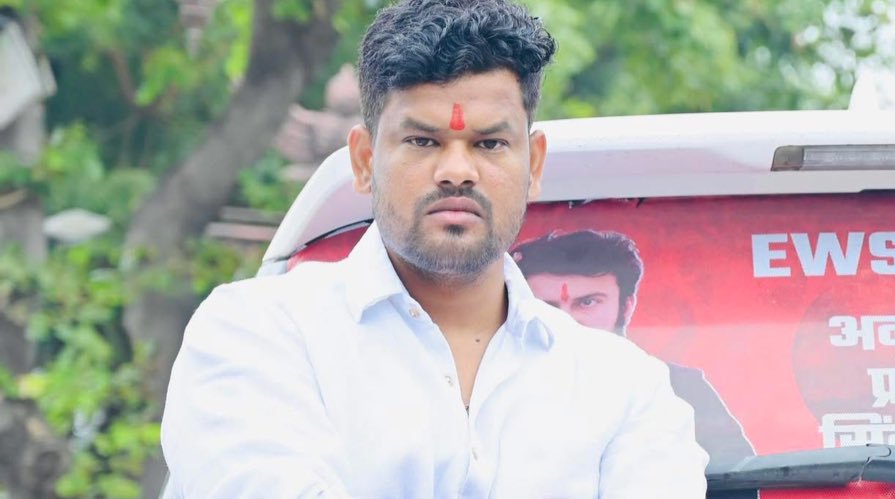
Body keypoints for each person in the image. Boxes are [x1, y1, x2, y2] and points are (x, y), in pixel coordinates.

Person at [159, 1, 708, 496]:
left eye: (490, 143)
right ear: (364, 161)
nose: (457, 171)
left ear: (534, 164)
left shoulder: (621, 387)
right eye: (423, 141)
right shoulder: (258, 334)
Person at [512, 230, 757, 466]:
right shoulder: (503, 384)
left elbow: (737, 473)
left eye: (587, 302)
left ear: (626, 307)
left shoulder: (678, 385)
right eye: (547, 307)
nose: (566, 320)